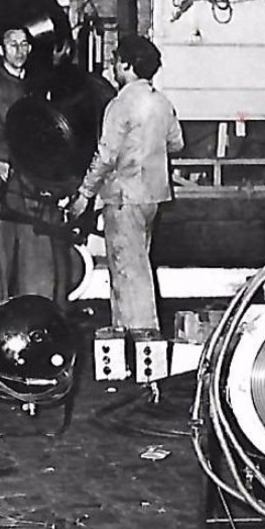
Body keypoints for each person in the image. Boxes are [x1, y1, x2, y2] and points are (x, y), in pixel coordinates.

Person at [68, 36, 184, 337]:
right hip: (152, 197)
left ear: (127, 65)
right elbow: (176, 142)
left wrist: (84, 194)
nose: (113, 67)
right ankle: (126, 338)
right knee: (134, 267)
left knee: (128, 274)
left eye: (116, 61)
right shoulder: (162, 102)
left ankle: (144, 343)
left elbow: (105, 155)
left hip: (123, 197)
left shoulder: (120, 105)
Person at [0, 25, 65, 307]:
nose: (19, 50)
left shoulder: (35, 85)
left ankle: (37, 311)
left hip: (28, 176)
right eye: (12, 44)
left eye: (24, 45)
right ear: (0, 48)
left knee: (37, 245)